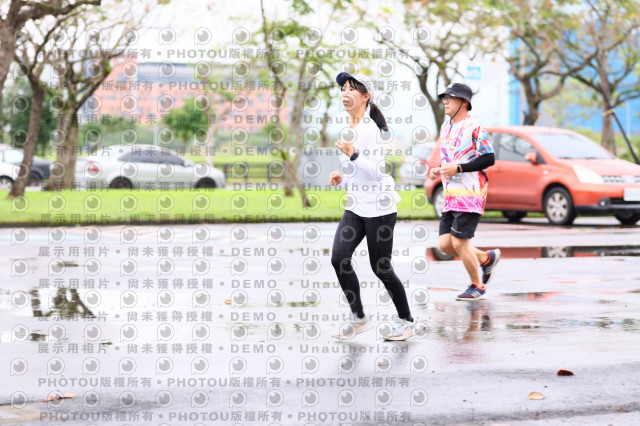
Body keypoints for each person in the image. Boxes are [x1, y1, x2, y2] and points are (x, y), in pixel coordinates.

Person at [329, 72, 421, 341]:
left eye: (352, 89)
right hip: (356, 205)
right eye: (343, 89)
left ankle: (406, 320)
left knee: (381, 267)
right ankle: (359, 317)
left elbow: (378, 172)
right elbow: (355, 169)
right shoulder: (348, 128)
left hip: (380, 207)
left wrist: (353, 155)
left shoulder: (371, 130)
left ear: (365, 96)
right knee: (339, 258)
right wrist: (341, 175)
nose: (345, 93)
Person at [428, 83, 501, 300]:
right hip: (451, 195)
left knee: (460, 242)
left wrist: (459, 168)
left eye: (450, 98)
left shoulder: (474, 127)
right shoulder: (446, 127)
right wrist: (439, 169)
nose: (445, 102)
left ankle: (477, 285)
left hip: (470, 195)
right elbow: (450, 159)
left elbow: (489, 158)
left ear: (464, 102)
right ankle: (486, 259)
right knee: (445, 244)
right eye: (444, 98)